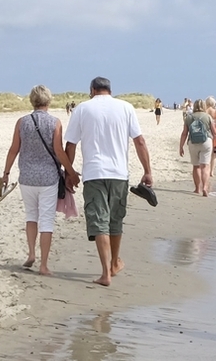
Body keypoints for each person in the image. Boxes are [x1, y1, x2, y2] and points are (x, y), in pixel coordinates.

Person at [63, 77, 153, 287]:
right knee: (115, 220)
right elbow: (139, 141)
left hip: (94, 173)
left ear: (92, 90)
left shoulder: (82, 109)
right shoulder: (126, 107)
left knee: (99, 221)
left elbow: (71, 144)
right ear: (109, 90)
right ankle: (113, 263)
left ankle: (105, 273)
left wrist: (70, 173)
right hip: (119, 173)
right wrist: (147, 171)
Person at [0, 85, 69, 276]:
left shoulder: (22, 122)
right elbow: (58, 151)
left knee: (31, 216)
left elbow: (14, 149)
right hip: (47, 178)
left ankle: (31, 253)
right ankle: (44, 265)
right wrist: (70, 171)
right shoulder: (55, 123)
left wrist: (6, 173)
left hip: (27, 178)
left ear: (32, 100)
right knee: (46, 220)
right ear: (49, 100)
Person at [179, 99, 212, 196]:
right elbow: (214, 131)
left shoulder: (189, 117)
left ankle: (198, 189)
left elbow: (184, 133)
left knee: (196, 166)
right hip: (206, 142)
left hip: (193, 142)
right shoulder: (208, 116)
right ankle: (205, 187)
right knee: (205, 166)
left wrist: (181, 146)